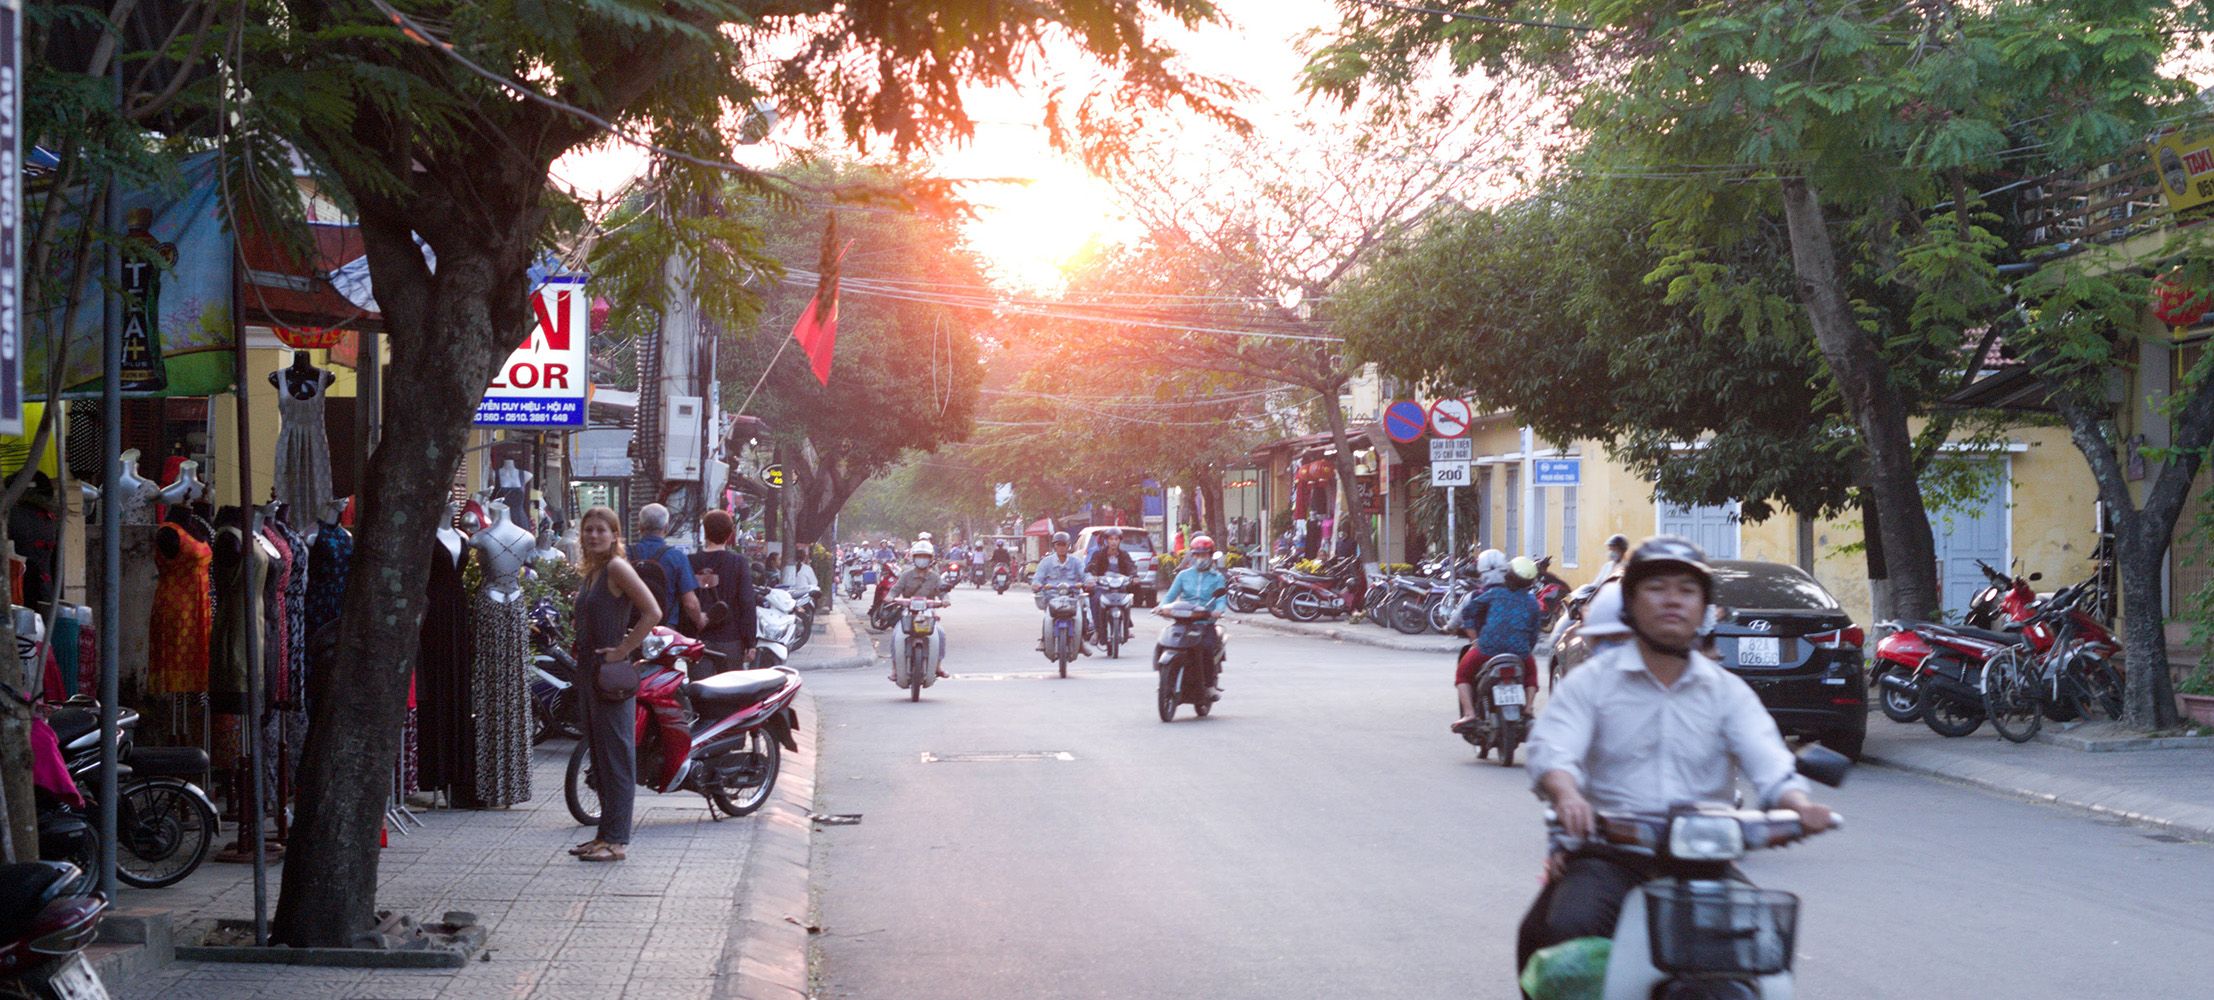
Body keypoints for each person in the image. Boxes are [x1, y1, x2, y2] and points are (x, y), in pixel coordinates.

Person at [1516, 536, 1835, 978]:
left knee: (1762, 950)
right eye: (1657, 588)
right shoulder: (1592, 683)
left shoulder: (1727, 692)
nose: (1672, 600)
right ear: (1631, 602)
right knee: (1563, 938)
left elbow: (1768, 760)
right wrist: (1567, 793)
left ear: (1702, 606)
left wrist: (1798, 806)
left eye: (1687, 590)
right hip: (1610, 855)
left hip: (1705, 862)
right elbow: (1554, 749)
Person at [569, 506, 662, 864]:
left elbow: (652, 611)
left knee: (618, 758)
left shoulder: (617, 568)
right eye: (589, 530)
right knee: (601, 759)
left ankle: (618, 840)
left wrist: (623, 648)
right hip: (590, 671)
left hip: (610, 675)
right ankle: (603, 835)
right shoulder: (592, 572)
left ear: (615, 535)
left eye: (601, 530)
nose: (594, 535)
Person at [1452, 555, 1543, 732]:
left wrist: (1474, 639)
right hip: (1519, 653)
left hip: (1487, 648)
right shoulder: (1532, 602)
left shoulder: (1494, 594)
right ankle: (1528, 710)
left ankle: (1470, 714)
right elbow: (1534, 632)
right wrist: (1525, 651)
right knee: (1531, 674)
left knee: (1462, 674)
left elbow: (1468, 612)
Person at [687, 510, 757, 675]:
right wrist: (750, 643)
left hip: (698, 639)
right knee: (729, 694)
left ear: (705, 531)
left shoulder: (691, 561)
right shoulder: (738, 563)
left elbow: (685, 600)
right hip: (731, 640)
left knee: (700, 693)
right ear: (730, 533)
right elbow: (747, 602)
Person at [1159, 534, 1229, 691]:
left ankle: (1210, 685)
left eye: (1204, 555)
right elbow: (1170, 596)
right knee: (1163, 643)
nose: (1200, 558)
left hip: (1205, 623)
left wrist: (1218, 610)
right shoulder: (1183, 576)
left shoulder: (1217, 578)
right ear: (1192, 556)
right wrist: (1162, 607)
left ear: (1211, 556)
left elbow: (1221, 599)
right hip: (1182, 622)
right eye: (1197, 555)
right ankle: (1165, 678)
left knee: (1206, 648)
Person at [630, 503, 705, 632]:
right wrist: (700, 620)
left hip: (629, 629)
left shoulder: (625, 554)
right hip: (664, 631)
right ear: (666, 527)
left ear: (639, 526)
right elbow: (690, 604)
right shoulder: (676, 557)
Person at [889, 539, 950, 679]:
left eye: (925, 557)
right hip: (908, 612)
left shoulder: (935, 577)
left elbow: (942, 592)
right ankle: (894, 669)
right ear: (913, 558)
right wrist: (890, 597)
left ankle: (938, 666)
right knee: (896, 634)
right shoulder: (906, 575)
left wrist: (945, 600)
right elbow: (895, 590)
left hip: (928, 613)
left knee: (940, 633)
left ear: (930, 559)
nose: (922, 559)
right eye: (919, 556)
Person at [1032, 531, 1089, 655]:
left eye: (1064, 544)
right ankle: (1043, 638)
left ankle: (1081, 641)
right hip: (1052, 596)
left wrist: (1089, 581)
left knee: (1083, 610)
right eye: (1059, 544)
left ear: (1069, 546)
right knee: (1048, 614)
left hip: (1072, 596)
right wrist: (1036, 584)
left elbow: (1085, 574)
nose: (1062, 547)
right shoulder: (1046, 562)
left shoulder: (1076, 562)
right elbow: (1038, 577)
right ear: (1054, 546)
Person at [1084, 530, 1137, 643]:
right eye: (1111, 539)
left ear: (1119, 541)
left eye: (1116, 539)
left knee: (1126, 599)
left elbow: (1131, 566)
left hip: (1119, 586)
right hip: (1102, 587)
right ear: (1107, 541)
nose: (1113, 542)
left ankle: (1126, 627)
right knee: (1096, 599)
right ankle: (1098, 630)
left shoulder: (1124, 555)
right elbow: (1092, 565)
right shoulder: (1098, 554)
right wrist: (1093, 576)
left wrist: (1134, 576)